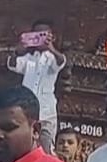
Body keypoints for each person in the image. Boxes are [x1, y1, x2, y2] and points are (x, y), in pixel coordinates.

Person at [9, 20, 67, 150]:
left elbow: (61, 61)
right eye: (36, 35)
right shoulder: (29, 58)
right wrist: (17, 51)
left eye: (43, 35)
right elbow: (13, 65)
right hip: (26, 111)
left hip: (46, 111)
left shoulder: (52, 58)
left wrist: (51, 47)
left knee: (46, 146)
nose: (39, 38)